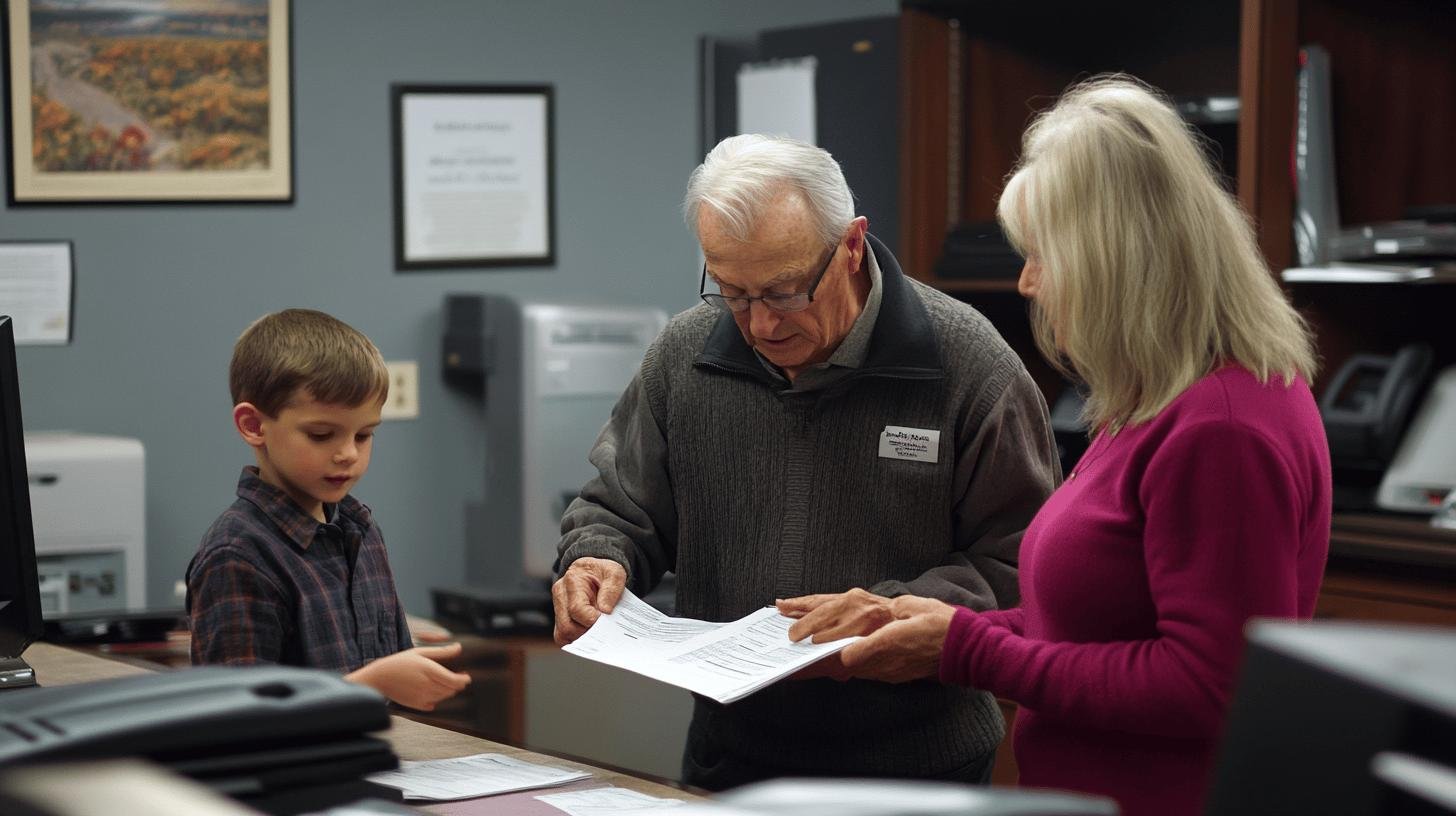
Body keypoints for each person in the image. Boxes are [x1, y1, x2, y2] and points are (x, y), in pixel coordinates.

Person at [780, 76, 1332, 816]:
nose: (1029, 282)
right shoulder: (1153, 400)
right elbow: (1085, 624)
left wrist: (966, 650)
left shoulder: (1221, 425)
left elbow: (1208, 687)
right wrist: (922, 621)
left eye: (1042, 255)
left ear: (1118, 263)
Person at [552, 135, 1060, 790]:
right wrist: (596, 558)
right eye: (732, 291)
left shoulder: (966, 363)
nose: (761, 323)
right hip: (730, 760)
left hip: (919, 771)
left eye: (785, 292)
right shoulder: (685, 355)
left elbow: (1022, 563)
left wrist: (891, 614)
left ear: (851, 246)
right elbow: (621, 506)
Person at [187, 308, 471, 712]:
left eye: (364, 434)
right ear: (253, 425)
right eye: (321, 435)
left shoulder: (360, 529)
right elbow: (235, 717)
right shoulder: (237, 554)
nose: (348, 454)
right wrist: (368, 684)